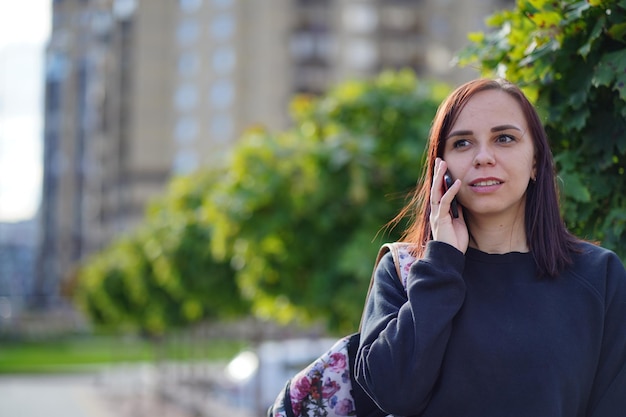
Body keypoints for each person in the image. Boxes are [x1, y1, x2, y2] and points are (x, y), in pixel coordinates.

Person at [354, 78, 626, 416]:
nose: (483, 157)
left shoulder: (600, 276)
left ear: (536, 161)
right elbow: (390, 393)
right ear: (442, 168)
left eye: (505, 138)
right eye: (463, 143)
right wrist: (442, 263)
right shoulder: (404, 272)